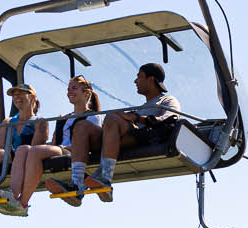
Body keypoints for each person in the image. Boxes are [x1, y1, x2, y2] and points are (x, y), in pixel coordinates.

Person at [70, 62, 181, 202]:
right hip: (119, 138)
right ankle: (77, 184)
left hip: (143, 137)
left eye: (139, 77)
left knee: (112, 117)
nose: (135, 81)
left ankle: (105, 179)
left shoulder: (167, 100)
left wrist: (135, 118)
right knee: (82, 126)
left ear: (150, 79)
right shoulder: (141, 107)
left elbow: (169, 119)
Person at [0, 75, 102, 215]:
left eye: (74, 88)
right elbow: (54, 142)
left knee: (34, 152)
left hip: (74, 152)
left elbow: (90, 143)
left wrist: (62, 148)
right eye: (68, 89)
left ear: (86, 93)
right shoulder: (63, 118)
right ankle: (13, 194)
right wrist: (49, 147)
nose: (69, 91)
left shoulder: (92, 117)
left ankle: (23, 203)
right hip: (59, 149)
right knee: (23, 149)